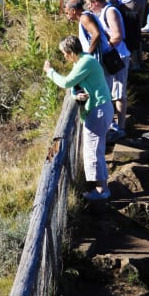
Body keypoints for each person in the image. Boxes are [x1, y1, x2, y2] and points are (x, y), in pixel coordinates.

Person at [44, 35, 114, 201]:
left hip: (98, 111)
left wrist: (49, 72)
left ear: (69, 53)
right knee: (95, 149)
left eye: (64, 53)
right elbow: (78, 84)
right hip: (100, 108)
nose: (64, 57)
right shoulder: (84, 61)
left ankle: (101, 190)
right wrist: (76, 95)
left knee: (93, 150)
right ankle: (102, 186)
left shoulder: (84, 63)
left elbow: (67, 82)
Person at [84, 0, 130, 141]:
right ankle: (113, 125)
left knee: (118, 92)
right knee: (111, 91)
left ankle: (120, 127)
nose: (89, 7)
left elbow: (117, 36)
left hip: (117, 56)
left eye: (89, 4)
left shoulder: (110, 12)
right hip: (112, 56)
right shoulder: (103, 12)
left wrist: (105, 47)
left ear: (95, 2)